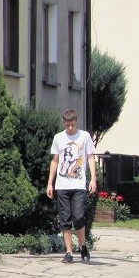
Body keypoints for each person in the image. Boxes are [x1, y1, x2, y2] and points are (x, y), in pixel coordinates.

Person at [46, 109, 97, 263]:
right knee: (65, 219)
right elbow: (55, 160)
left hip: (79, 183)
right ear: (64, 123)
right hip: (62, 184)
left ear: (76, 122)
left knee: (79, 216)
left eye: (72, 125)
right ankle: (68, 252)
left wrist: (93, 179)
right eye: (67, 125)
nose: (70, 128)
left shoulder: (84, 136)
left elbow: (90, 157)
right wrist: (50, 183)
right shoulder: (58, 138)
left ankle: (82, 246)